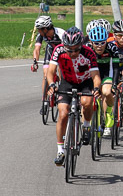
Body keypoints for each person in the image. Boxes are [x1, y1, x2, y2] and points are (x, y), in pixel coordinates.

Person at [46, 27, 101, 166]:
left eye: (76, 49)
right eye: (69, 50)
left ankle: (86, 125)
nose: (73, 53)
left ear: (81, 45)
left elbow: (96, 76)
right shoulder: (58, 50)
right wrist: (52, 84)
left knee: (87, 102)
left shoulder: (89, 53)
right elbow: (50, 71)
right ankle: (60, 150)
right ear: (64, 45)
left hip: (85, 82)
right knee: (63, 113)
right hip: (67, 82)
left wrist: (96, 88)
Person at [32, 15, 65, 114]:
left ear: (45, 29)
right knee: (46, 75)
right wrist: (35, 61)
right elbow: (37, 49)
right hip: (50, 51)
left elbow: (67, 50)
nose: (38, 31)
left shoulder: (61, 34)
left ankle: (61, 89)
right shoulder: (41, 35)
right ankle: (44, 101)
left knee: (62, 71)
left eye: (39, 29)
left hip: (63, 53)